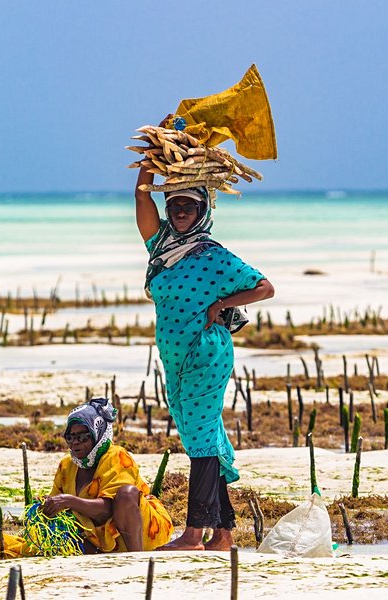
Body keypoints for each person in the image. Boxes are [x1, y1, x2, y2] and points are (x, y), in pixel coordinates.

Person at [134, 131, 275, 551]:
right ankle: (224, 534)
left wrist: (222, 304)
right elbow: (141, 198)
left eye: (189, 206)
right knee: (202, 436)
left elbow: (265, 288)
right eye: (174, 205)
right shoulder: (161, 247)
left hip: (206, 355)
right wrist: (150, 157)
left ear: (203, 209)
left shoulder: (214, 256)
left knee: (198, 439)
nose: (180, 213)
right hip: (175, 359)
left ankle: (194, 534)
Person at [0, 398, 173, 556]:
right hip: (98, 536)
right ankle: (103, 554)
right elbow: (58, 503)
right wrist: (46, 505)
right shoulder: (66, 466)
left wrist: (69, 501)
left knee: (127, 493)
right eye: (70, 437)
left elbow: (108, 510)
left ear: (97, 434)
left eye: (82, 437)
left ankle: (137, 559)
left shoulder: (117, 457)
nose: (75, 443)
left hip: (141, 531)